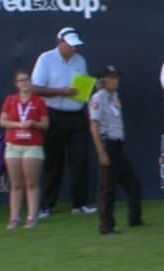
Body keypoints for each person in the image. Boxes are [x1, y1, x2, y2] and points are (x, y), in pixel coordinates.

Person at [32, 27, 96, 218]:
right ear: (60, 43)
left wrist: (86, 90)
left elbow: (82, 87)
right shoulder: (46, 59)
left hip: (76, 114)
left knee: (80, 159)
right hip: (53, 114)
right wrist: (62, 91)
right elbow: (36, 88)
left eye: (75, 46)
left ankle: (80, 204)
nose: (73, 49)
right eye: (70, 45)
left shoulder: (80, 61)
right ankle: (47, 205)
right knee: (54, 161)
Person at [88, 65, 143, 235]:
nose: (116, 81)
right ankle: (106, 225)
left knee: (133, 183)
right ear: (103, 81)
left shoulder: (114, 96)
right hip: (108, 144)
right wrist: (101, 152)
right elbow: (94, 126)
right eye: (112, 78)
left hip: (119, 144)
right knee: (107, 187)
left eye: (116, 77)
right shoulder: (99, 98)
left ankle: (134, 218)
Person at [0, 69, 49, 229]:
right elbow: (2, 121)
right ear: (16, 84)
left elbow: (45, 124)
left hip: (32, 145)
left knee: (32, 182)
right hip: (13, 144)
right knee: (16, 183)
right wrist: (18, 124)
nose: (24, 83)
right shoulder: (10, 100)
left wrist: (32, 123)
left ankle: (31, 216)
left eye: (27, 80)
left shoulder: (38, 101)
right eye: (21, 80)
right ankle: (14, 218)